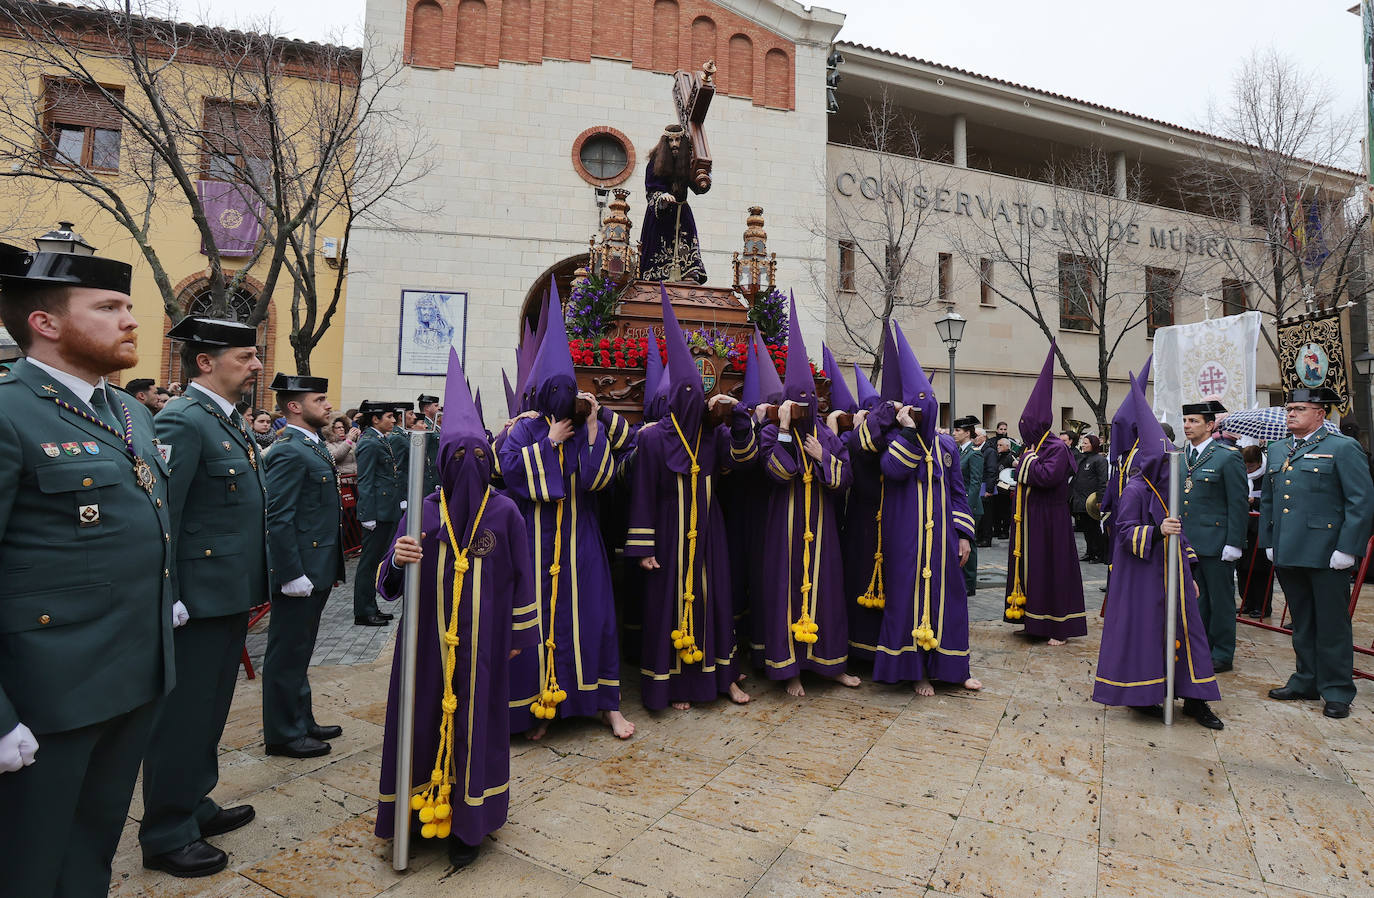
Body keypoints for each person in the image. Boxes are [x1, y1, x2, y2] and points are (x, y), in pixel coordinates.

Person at [0, 240, 175, 897]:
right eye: (108, 306)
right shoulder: (9, 413)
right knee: (27, 865)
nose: (131, 319)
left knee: (91, 852)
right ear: (45, 323)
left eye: (130, 305)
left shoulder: (126, 410)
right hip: (46, 699)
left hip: (130, 680)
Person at [374, 349, 538, 869]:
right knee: (420, 719)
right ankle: (417, 809)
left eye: (478, 457)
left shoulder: (506, 513)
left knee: (475, 723)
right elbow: (388, 584)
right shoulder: (424, 511)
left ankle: (469, 821)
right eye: (458, 458)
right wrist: (398, 560)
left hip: (484, 646)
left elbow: (523, 578)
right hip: (425, 645)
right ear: (443, 463)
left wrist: (519, 636)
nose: (470, 468)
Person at [139, 316, 266, 877]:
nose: (257, 365)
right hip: (196, 599)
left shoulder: (223, 419)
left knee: (210, 711)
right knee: (183, 717)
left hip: (226, 593)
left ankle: (195, 802)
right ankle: (166, 831)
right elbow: (162, 515)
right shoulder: (185, 421)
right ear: (205, 362)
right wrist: (170, 593)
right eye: (245, 356)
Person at [500, 284, 632, 739]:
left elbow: (599, 480)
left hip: (581, 539)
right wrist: (550, 441)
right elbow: (513, 475)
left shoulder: (587, 430)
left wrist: (593, 425)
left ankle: (603, 704)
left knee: (594, 616)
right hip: (535, 541)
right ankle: (543, 706)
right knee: (538, 623)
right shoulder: (524, 431)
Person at [624, 290, 753, 710]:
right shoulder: (654, 439)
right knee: (668, 607)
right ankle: (674, 686)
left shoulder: (713, 435)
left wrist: (738, 417)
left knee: (715, 600)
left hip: (709, 532)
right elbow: (641, 493)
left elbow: (742, 460)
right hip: (667, 532)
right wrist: (642, 549)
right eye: (690, 392)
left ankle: (724, 679)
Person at [1093, 385, 1223, 729]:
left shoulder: (1168, 490)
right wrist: (1156, 531)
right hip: (1147, 576)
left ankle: (1197, 699)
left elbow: (1183, 533)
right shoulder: (1136, 489)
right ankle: (1147, 695)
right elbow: (1123, 531)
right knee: (1152, 636)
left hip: (1177, 575)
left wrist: (1191, 573)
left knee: (1192, 636)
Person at [755, 295, 858, 696]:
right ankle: (790, 669)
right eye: (793, 402)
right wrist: (783, 432)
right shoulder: (770, 434)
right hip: (784, 528)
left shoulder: (827, 436)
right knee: (785, 591)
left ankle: (830, 665)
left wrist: (823, 458)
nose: (800, 408)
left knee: (827, 592)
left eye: (806, 402)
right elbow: (777, 473)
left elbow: (845, 480)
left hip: (823, 529)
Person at [872, 327, 979, 694]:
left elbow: (959, 493)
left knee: (952, 600)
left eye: (927, 402)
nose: (923, 410)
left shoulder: (947, 444)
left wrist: (964, 536)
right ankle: (916, 671)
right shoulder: (893, 439)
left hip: (944, 540)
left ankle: (956, 668)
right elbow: (893, 469)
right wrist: (906, 432)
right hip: (905, 538)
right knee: (908, 598)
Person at [1259, 387, 1374, 719]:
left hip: (1326, 552)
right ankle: (1305, 680)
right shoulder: (1278, 449)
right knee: (1303, 622)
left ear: (1320, 413)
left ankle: (1337, 690)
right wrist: (1269, 540)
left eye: (1299, 408)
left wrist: (1348, 548)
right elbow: (1269, 499)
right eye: (1288, 409)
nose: (1290, 413)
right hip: (1288, 549)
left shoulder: (1342, 447)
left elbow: (1360, 502)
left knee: (1332, 625)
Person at [261, 373, 346, 758]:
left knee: (302, 648)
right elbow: (278, 517)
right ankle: (283, 733)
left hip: (316, 565)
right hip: (301, 569)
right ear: (294, 406)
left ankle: (301, 718)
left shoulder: (311, 445)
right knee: (287, 652)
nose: (328, 406)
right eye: (320, 399)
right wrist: (289, 573)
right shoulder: (288, 450)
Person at [1003, 344, 1086, 644]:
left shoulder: (1057, 448)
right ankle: (1031, 620)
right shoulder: (1033, 448)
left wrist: (1024, 463)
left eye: (1027, 425)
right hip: (1028, 518)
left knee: (1052, 569)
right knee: (1031, 569)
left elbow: (1046, 476)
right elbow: (1021, 473)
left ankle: (1059, 627)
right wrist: (1025, 463)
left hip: (1051, 519)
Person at [1178, 400, 1248, 673]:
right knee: (1197, 598)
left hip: (1217, 542)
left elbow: (1238, 502)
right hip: (1188, 540)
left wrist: (1234, 542)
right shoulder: (1182, 454)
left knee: (1220, 600)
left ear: (1209, 425)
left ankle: (1222, 652)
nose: (1187, 426)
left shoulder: (1226, 456)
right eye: (1185, 421)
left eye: (1193, 421)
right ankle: (1200, 645)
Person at [354, 400, 406, 626]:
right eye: (389, 416)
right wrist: (367, 515)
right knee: (369, 562)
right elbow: (365, 480)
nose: (394, 420)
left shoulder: (379, 439)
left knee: (377, 560)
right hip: (377, 512)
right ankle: (363, 610)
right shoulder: (369, 442)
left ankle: (371, 605)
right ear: (375, 419)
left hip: (387, 509)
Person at [639, 123, 707, 283]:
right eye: (671, 140)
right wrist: (662, 197)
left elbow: (698, 187)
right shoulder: (655, 163)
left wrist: (703, 178)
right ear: (665, 142)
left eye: (678, 140)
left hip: (682, 211)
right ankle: (658, 275)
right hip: (661, 215)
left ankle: (688, 273)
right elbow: (650, 189)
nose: (675, 144)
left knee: (686, 240)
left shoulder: (688, 162)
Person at [1238, 444, 1273, 618]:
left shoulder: (1268, 475)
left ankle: (1262, 605)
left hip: (1259, 528)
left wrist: (1254, 502)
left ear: (1259, 462)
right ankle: (1246, 602)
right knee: (1242, 566)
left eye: (1251, 465)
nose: (1248, 469)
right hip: (1243, 526)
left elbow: (1271, 501)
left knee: (1260, 569)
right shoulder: (1240, 475)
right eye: (1246, 465)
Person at [953, 416, 984, 595]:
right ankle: (962, 580)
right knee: (961, 545)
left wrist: (967, 509)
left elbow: (975, 483)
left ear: (967, 432)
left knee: (969, 546)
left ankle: (969, 584)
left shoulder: (975, 453)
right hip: (960, 506)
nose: (954, 433)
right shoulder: (960, 451)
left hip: (969, 507)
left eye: (958, 431)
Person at [1070, 434, 1108, 564]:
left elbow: (1103, 481)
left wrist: (1100, 499)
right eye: (1083, 443)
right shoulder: (1082, 459)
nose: (1083, 445)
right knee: (1086, 529)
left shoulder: (1099, 460)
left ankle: (1098, 553)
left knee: (1095, 529)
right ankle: (1090, 551)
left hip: (1091, 501)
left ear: (1093, 444)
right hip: (1081, 500)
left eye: (1086, 443)